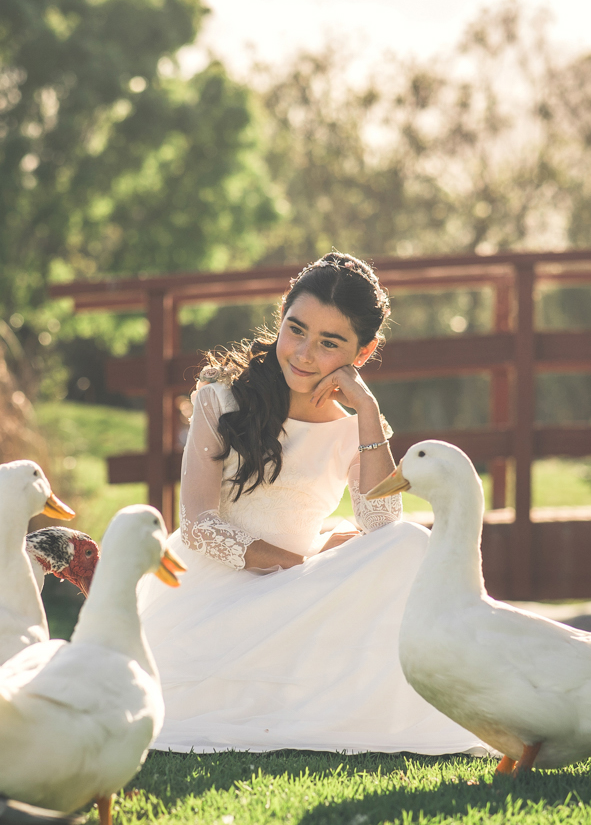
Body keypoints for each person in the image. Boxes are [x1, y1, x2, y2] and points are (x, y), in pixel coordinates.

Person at [139, 252, 486, 755]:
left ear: (361, 355)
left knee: (410, 543)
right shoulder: (220, 397)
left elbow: (383, 525)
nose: (304, 353)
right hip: (217, 595)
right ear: (280, 319)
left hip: (298, 592)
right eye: (295, 330)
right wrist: (300, 566)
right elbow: (199, 526)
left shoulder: (356, 427)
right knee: (387, 545)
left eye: (329, 343)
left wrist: (366, 410)